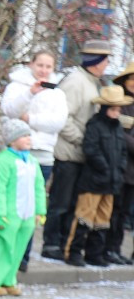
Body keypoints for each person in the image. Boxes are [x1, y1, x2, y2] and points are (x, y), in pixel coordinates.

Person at [0, 49, 67, 273]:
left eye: (48, 67)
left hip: (43, 154)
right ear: (31, 64)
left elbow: (57, 122)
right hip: (17, 153)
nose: (44, 70)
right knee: (14, 205)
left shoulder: (58, 92)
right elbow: (10, 110)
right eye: (40, 65)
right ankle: (8, 251)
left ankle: (23, 256)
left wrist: (31, 119)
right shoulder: (17, 86)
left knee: (32, 207)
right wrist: (29, 93)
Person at [43, 39, 110, 261]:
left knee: (72, 203)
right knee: (60, 202)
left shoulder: (94, 82)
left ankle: (64, 243)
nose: (107, 64)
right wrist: (83, 140)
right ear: (96, 61)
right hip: (69, 153)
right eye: (105, 59)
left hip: (83, 155)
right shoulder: (75, 82)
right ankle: (51, 244)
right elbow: (63, 118)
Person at [0, 119, 46, 296]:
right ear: (12, 140)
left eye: (29, 134)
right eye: (23, 136)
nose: (28, 138)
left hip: (27, 215)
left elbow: (39, 187)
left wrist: (40, 211)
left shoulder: (32, 161)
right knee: (2, 247)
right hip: (8, 215)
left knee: (18, 249)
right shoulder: (3, 161)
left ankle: (8, 279)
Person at [65, 85, 129, 267]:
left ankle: (94, 253)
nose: (117, 113)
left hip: (111, 182)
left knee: (102, 220)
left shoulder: (117, 128)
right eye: (114, 109)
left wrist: (119, 170)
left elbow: (122, 151)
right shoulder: (95, 124)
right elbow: (91, 149)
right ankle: (74, 251)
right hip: (94, 181)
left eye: (119, 109)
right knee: (84, 216)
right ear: (106, 108)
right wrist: (105, 168)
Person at [106, 60, 134, 265]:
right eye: (132, 79)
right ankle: (108, 249)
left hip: (132, 170)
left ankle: (116, 248)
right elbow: (117, 133)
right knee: (113, 210)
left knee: (124, 212)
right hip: (120, 165)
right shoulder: (120, 103)